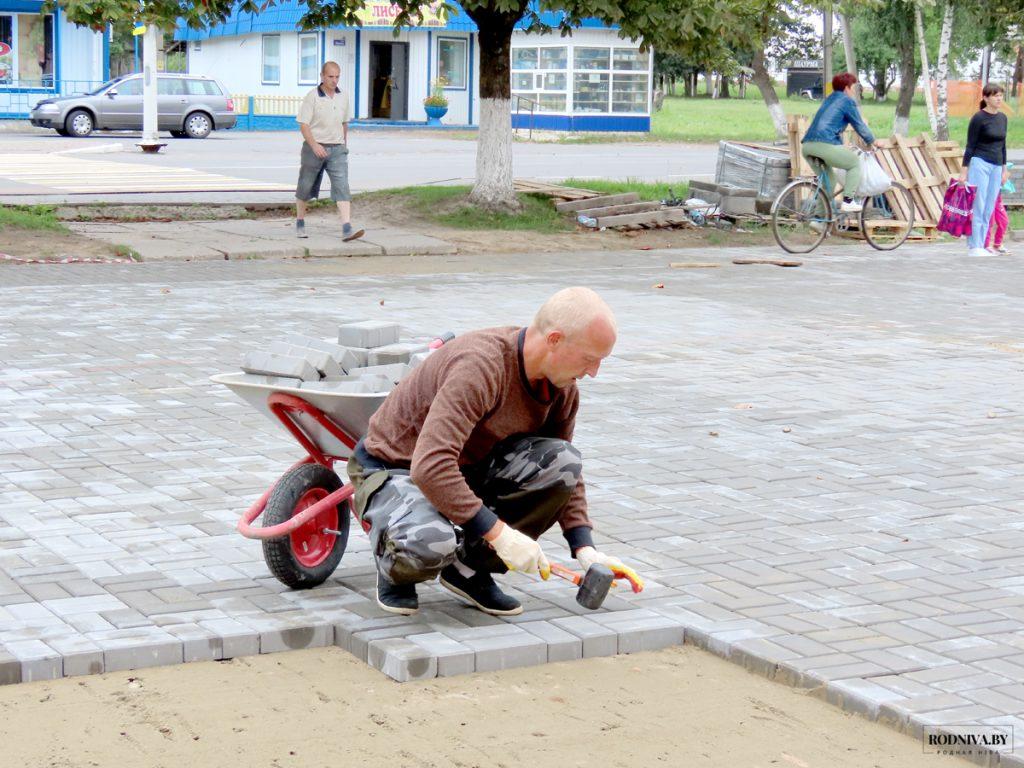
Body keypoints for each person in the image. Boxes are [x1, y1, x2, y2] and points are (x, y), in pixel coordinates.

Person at [347, 287, 641, 616]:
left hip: (467, 467)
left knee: (562, 461)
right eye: (590, 359)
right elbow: (430, 467)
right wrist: (500, 535)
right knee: (429, 543)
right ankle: (396, 566)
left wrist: (584, 547)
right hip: (397, 466)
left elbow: (566, 474)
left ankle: (467, 569)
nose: (593, 372)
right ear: (555, 339)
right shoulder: (481, 367)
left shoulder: (560, 389)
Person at [294, 61, 363, 242]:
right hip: (314, 148)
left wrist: (343, 145)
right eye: (330, 76)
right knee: (305, 186)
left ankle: (347, 228)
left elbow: (344, 123)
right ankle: (300, 222)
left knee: (342, 187)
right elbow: (304, 124)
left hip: (337, 149)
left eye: (337, 76)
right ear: (323, 77)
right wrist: (315, 145)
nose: (334, 80)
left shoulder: (343, 96)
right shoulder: (312, 96)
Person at [801, 72, 877, 213]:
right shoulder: (846, 101)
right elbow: (859, 125)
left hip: (807, 146)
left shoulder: (829, 99)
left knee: (828, 181)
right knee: (854, 163)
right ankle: (848, 201)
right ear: (846, 88)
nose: (855, 91)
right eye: (853, 87)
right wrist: (873, 141)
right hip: (824, 144)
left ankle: (819, 220)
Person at [959, 83, 1009, 257]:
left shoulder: (1003, 118)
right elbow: (970, 145)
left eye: (1001, 96)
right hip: (980, 162)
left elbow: (1003, 146)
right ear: (986, 98)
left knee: (989, 207)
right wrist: (964, 171)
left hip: (996, 166)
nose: (999, 99)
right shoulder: (979, 118)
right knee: (978, 205)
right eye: (995, 96)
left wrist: (1004, 170)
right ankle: (975, 246)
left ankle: (983, 244)